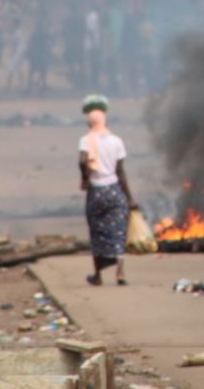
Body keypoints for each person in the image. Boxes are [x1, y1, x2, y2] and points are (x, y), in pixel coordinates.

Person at [78, 95, 137, 286]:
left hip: (96, 192)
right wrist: (130, 198)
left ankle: (98, 276)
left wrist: (85, 177)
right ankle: (120, 274)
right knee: (118, 233)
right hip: (114, 191)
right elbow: (120, 171)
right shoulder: (116, 141)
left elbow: (81, 160)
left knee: (97, 232)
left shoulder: (86, 141)